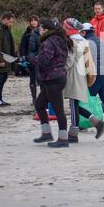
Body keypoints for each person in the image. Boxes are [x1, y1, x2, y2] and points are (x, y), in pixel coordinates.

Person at [27, 19, 71, 148]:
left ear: (46, 30)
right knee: (39, 104)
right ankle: (46, 133)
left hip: (53, 79)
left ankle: (63, 139)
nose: (39, 31)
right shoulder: (60, 39)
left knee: (58, 110)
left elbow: (44, 60)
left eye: (40, 29)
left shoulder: (49, 42)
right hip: (54, 78)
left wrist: (31, 59)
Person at [63, 18, 104, 143]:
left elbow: (69, 61)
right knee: (75, 104)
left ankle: (73, 133)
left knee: (73, 105)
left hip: (73, 76)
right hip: (82, 75)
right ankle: (98, 123)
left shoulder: (71, 41)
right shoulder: (83, 40)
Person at [19, 15, 41, 104]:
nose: (33, 22)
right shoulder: (27, 33)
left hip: (41, 58)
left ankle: (42, 98)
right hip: (30, 59)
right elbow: (22, 46)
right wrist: (23, 56)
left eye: (35, 20)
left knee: (41, 79)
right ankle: (34, 98)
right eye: (31, 20)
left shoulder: (42, 31)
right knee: (32, 79)